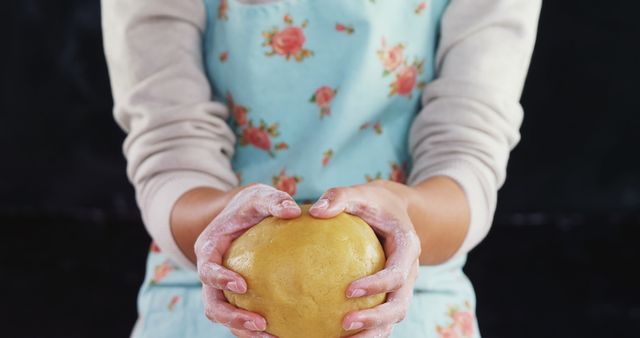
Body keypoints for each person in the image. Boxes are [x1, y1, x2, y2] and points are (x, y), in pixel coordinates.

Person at [102, 0, 541, 337]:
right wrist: (217, 233)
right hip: (211, 290)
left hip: (412, 286)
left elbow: (466, 154)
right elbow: (171, 146)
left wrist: (403, 220)